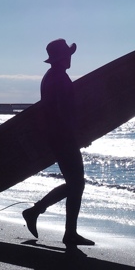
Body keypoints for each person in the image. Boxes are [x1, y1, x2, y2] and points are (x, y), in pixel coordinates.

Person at [23, 39, 94, 248]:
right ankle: (59, 226)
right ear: (62, 57)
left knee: (75, 184)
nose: (70, 58)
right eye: (68, 55)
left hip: (58, 136)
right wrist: (76, 136)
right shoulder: (59, 78)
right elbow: (62, 112)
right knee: (77, 183)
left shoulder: (52, 77)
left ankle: (40, 214)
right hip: (63, 137)